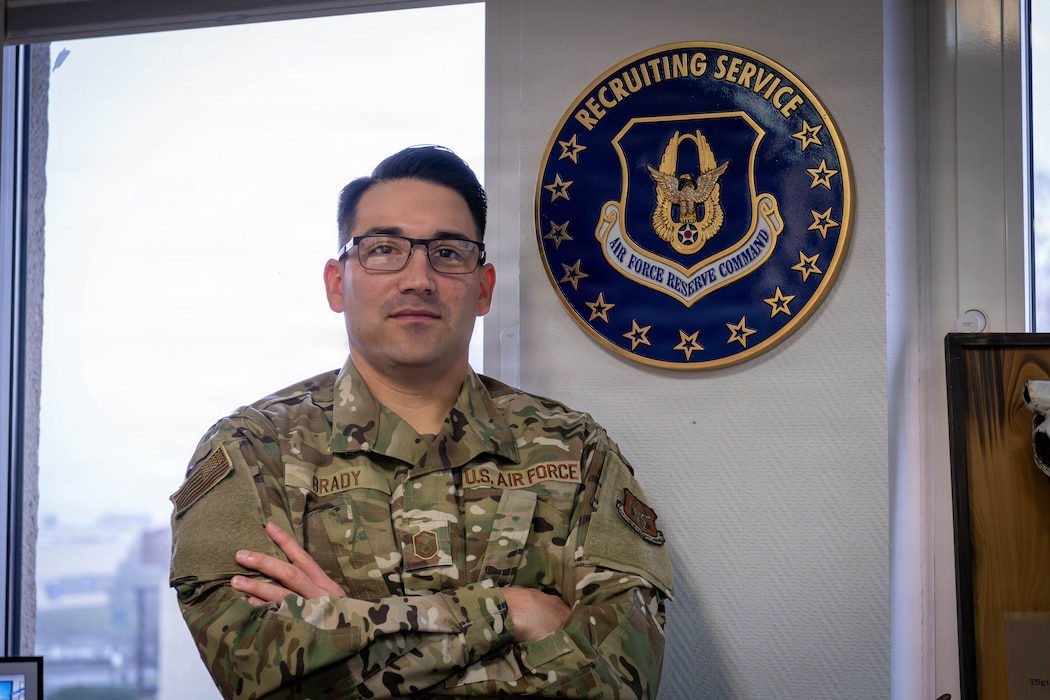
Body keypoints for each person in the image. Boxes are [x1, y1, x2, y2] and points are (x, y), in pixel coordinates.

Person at [169, 145, 674, 699]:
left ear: (483, 288)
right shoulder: (251, 451)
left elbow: (617, 680)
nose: (418, 279)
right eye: (384, 249)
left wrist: (346, 624)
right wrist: (509, 611)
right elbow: (256, 672)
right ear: (337, 283)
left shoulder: (576, 452)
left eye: (448, 253)